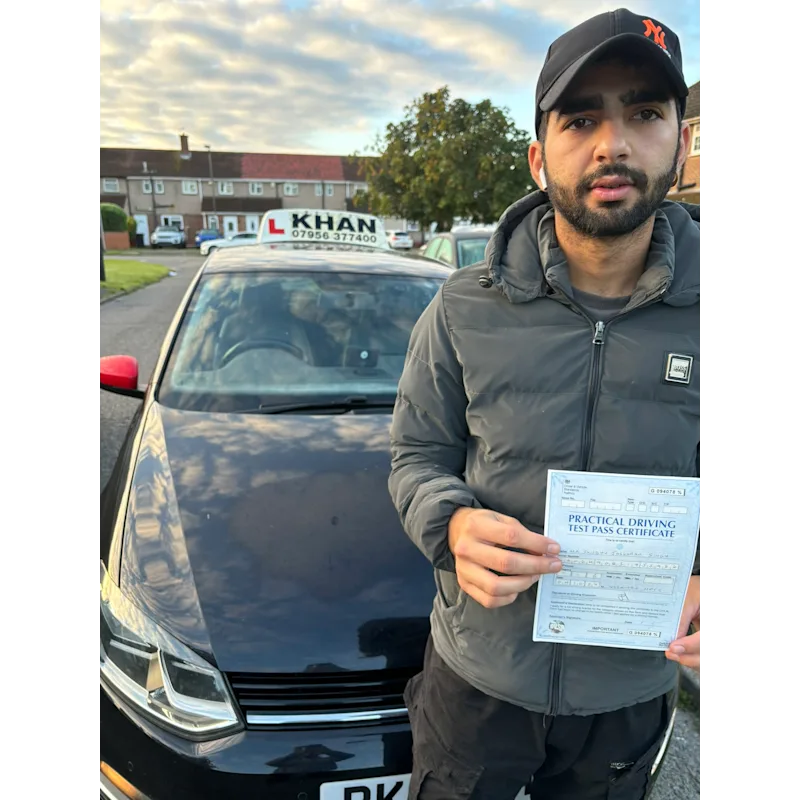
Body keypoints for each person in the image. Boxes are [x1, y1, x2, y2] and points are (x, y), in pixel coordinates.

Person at [387, 7, 702, 800]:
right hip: (476, 683)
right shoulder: (463, 307)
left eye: (644, 113)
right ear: (538, 157)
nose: (613, 144)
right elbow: (414, 456)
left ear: (682, 142)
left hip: (627, 695)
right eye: (581, 118)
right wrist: (453, 524)